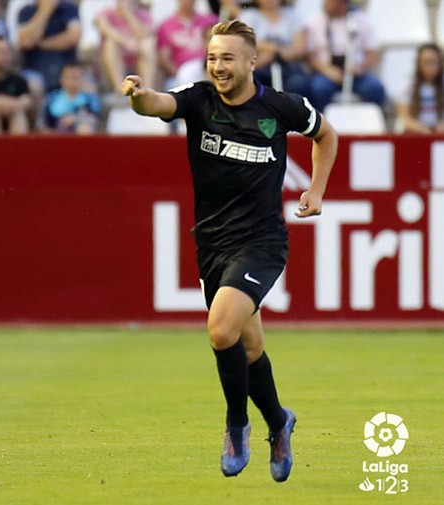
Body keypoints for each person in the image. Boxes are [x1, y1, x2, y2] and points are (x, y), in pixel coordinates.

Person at [121, 19, 338, 481]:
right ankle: (279, 423)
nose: (218, 67)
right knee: (250, 345)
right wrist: (139, 94)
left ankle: (236, 425)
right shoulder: (199, 99)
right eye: (212, 57)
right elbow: (158, 103)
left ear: (251, 62)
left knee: (221, 331)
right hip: (212, 244)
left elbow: (326, 135)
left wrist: (317, 190)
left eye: (227, 58)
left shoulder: (280, 107)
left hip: (262, 243)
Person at [306, 0, 385, 111]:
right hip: (326, 71)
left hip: (356, 72)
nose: (326, 4)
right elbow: (310, 56)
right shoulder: (314, 22)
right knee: (317, 89)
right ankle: (322, 124)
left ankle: (366, 124)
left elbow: (372, 54)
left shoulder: (362, 20)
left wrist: (360, 68)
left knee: (374, 88)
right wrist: (327, 70)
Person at [237, 0, 308, 96]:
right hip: (259, 65)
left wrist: (278, 53)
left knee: (298, 83)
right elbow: (246, 41)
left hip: (288, 66)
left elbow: (300, 47)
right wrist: (277, 50)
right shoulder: (249, 16)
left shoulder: (292, 15)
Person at [17, 0, 81, 94]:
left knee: (87, 88)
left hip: (66, 66)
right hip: (35, 69)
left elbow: (73, 37)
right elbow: (25, 42)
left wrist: (40, 43)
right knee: (33, 86)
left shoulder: (69, 9)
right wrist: (45, 10)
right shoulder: (26, 11)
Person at [95, 0, 155, 91]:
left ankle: (146, 90)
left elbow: (144, 34)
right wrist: (126, 42)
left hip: (137, 54)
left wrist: (128, 14)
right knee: (110, 44)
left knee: (148, 45)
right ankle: (120, 90)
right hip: (116, 56)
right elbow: (105, 29)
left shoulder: (144, 14)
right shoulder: (106, 13)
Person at [156, 0, 217, 90]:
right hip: (178, 77)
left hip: (209, 72)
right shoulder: (165, 26)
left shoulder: (211, 21)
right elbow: (164, 60)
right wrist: (181, 75)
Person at [396, 43, 444, 134]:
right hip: (417, 135)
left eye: (435, 62)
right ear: (419, 64)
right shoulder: (407, 85)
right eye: (427, 62)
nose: (431, 67)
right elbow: (404, 117)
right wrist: (423, 130)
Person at [43, 61, 100, 134]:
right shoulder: (51, 98)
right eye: (70, 77)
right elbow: (42, 122)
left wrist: (76, 119)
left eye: (76, 77)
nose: (73, 81)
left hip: (79, 134)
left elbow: (96, 119)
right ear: (61, 79)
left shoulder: (90, 99)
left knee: (84, 129)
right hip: (55, 136)